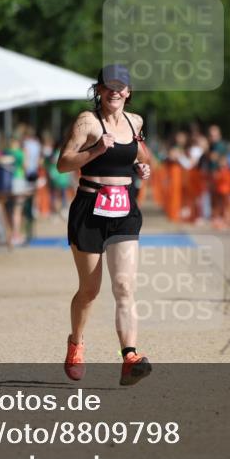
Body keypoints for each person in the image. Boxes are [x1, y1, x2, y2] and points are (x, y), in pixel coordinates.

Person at [56, 64, 152, 386]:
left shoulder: (134, 121)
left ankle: (130, 357)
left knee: (124, 285)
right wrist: (96, 149)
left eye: (120, 86)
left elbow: (142, 155)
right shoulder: (87, 121)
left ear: (128, 92)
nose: (114, 92)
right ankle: (76, 344)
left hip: (124, 208)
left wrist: (140, 167)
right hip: (89, 208)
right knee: (90, 290)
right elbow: (62, 163)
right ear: (99, 90)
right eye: (108, 86)